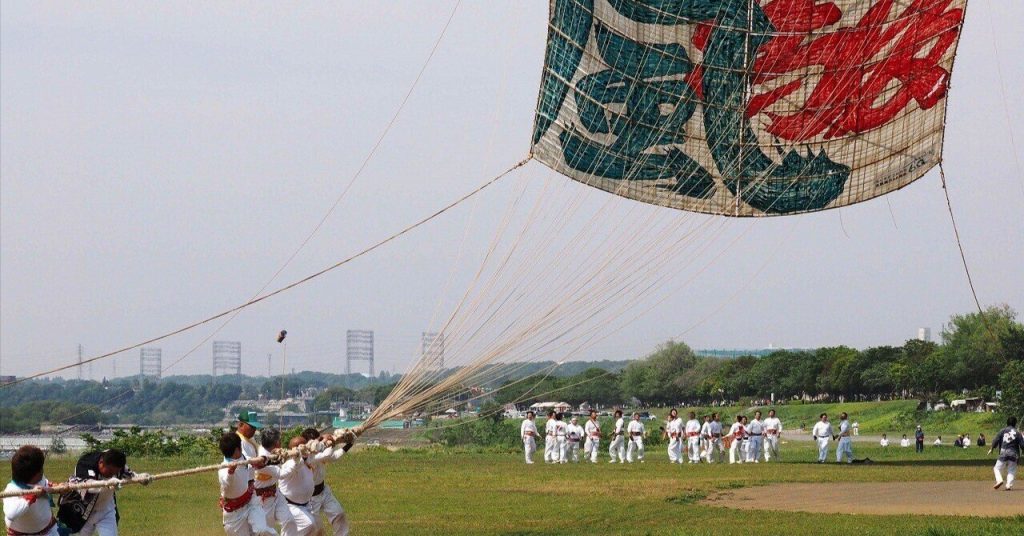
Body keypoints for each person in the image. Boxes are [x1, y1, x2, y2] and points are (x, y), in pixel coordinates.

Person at [59, 448, 136, 535]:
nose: (112, 474)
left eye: (115, 472)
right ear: (101, 463)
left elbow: (131, 475)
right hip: (82, 508)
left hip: (106, 509)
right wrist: (107, 483)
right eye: (110, 471)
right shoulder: (85, 463)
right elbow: (89, 487)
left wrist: (142, 478)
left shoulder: (117, 464)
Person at [218, 432, 277, 536]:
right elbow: (227, 483)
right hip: (234, 513)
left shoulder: (243, 458)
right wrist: (231, 472)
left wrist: (262, 459)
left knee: (261, 530)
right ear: (237, 449)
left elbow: (254, 461)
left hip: (251, 501)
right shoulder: (223, 469)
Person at [301, 429, 351, 536]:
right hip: (310, 498)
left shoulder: (320, 450)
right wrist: (331, 442)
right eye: (317, 440)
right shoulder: (308, 457)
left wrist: (349, 444)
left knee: (339, 514)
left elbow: (334, 457)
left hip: (324, 491)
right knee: (315, 529)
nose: (320, 442)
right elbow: (327, 455)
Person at [4, 445, 60, 536]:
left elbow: (45, 483)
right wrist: (32, 495)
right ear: (38, 472)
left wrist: (57, 487)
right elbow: (11, 514)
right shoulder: (11, 490)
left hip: (49, 531)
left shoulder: (39, 479)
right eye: (41, 468)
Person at [277, 436, 319, 536]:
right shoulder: (291, 464)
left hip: (305, 504)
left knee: (311, 528)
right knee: (309, 524)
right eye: (302, 446)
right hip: (289, 505)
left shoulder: (307, 461)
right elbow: (297, 464)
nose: (305, 448)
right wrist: (300, 457)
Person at [255, 428, 289, 529]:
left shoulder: (270, 451)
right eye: (280, 440)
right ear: (277, 442)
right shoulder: (262, 458)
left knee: (289, 520)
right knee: (267, 529)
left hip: (275, 492)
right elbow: (282, 473)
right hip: (262, 498)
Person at [988, 416, 1022, 491]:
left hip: (1004, 452)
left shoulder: (1003, 430)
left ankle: (999, 480)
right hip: (1014, 453)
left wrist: (992, 448)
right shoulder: (1018, 433)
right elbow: (1022, 445)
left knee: (997, 468)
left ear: (1007, 423)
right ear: (1015, 424)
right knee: (1011, 470)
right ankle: (1008, 485)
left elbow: (996, 439)